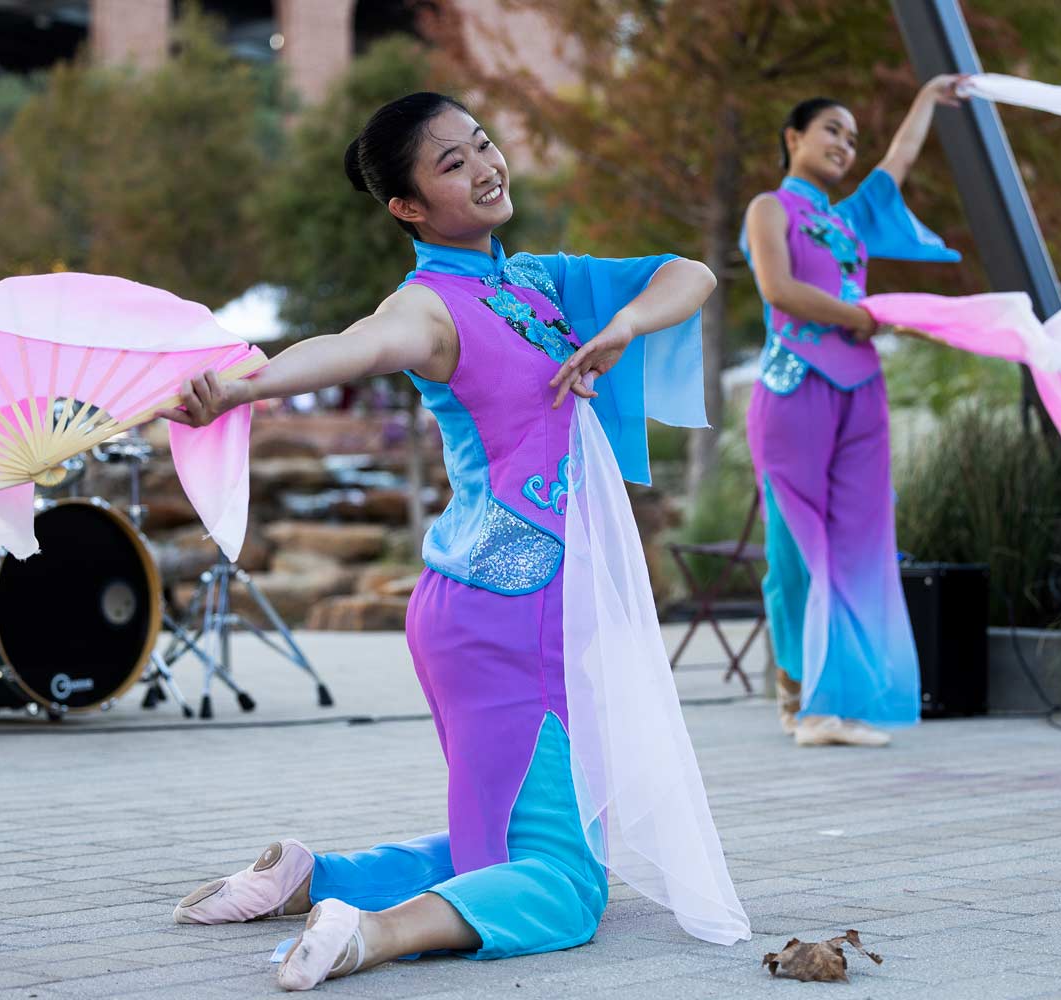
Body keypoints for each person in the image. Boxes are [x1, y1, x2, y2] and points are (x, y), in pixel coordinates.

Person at [160, 92, 748, 992]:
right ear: (407, 208)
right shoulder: (430, 305)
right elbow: (355, 345)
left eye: (482, 144)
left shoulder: (535, 282)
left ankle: (311, 879)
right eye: (452, 164)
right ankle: (371, 933)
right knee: (563, 888)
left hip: (481, 600)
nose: (485, 167)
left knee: (504, 837)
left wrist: (620, 326)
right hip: (515, 611)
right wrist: (246, 389)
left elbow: (692, 274)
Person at [740, 78, 965, 748]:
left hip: (862, 392)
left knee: (863, 544)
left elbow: (898, 161)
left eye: (851, 138)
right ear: (794, 138)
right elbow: (779, 291)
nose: (844, 144)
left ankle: (842, 700)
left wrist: (926, 97)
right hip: (796, 387)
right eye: (831, 130)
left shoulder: (847, 222)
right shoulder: (769, 208)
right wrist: (864, 316)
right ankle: (803, 701)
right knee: (797, 550)